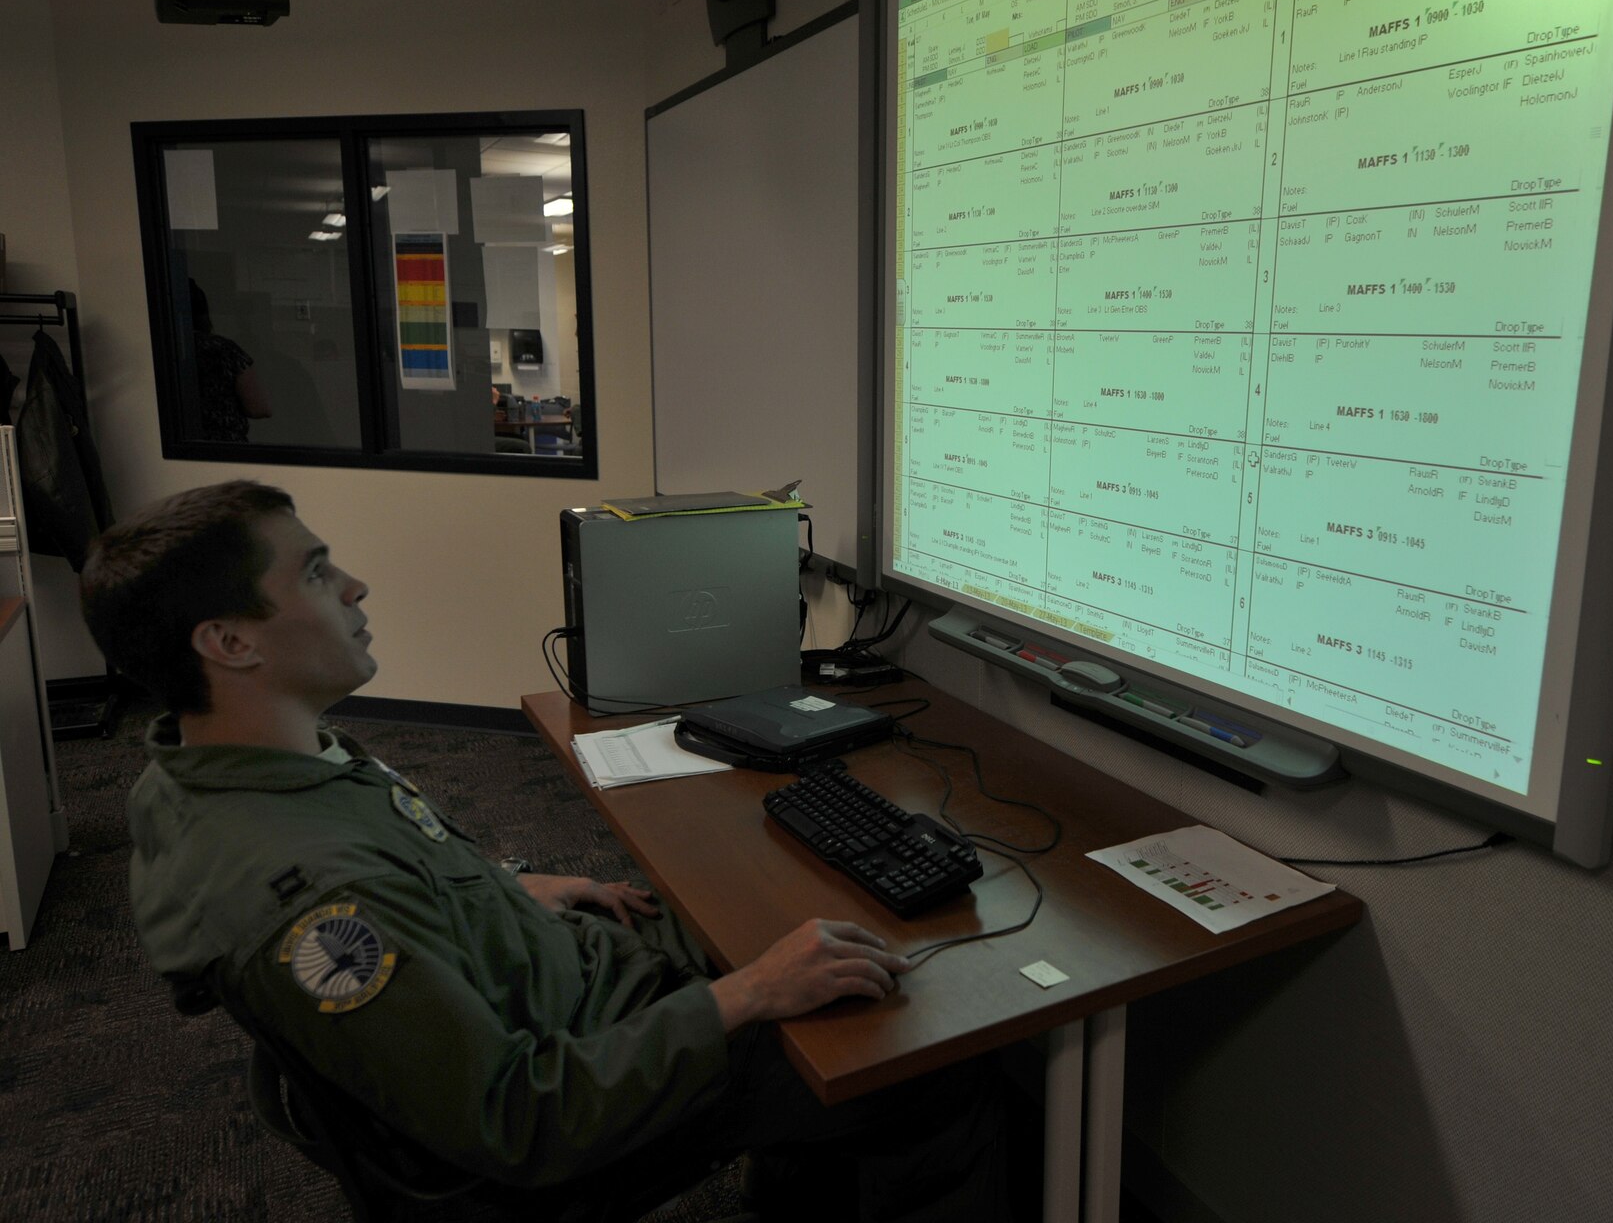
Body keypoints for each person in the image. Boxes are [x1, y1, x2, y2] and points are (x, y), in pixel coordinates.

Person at [81, 480, 1009, 1221]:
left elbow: (401, 856)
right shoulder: (317, 900)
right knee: (916, 1057)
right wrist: (751, 994)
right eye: (319, 575)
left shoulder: (219, 765)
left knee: (758, 914)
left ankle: (793, 1153)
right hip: (558, 1108)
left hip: (560, 988)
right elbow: (520, 1122)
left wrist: (507, 888)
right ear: (231, 641)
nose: (356, 588)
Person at [186, 281, 273, 442]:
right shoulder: (223, 350)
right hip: (226, 448)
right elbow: (259, 408)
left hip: (182, 447)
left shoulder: (164, 351)